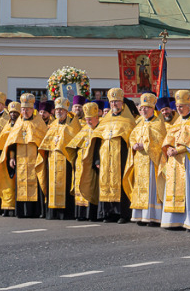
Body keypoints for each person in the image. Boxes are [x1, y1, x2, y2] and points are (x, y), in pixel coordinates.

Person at [160, 90, 190, 231]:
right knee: (173, 189)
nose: (179, 109)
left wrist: (178, 150)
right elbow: (169, 138)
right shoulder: (177, 121)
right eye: (177, 106)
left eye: (182, 106)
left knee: (188, 191)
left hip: (187, 160)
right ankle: (172, 219)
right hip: (173, 161)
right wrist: (168, 148)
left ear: (188, 105)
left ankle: (189, 220)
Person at [0, 94, 48, 219]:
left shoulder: (38, 123)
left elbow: (43, 141)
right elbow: (11, 144)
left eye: (27, 109)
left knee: (35, 183)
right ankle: (21, 211)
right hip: (20, 160)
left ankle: (36, 211)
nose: (25, 111)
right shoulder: (18, 124)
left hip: (34, 159)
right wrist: (12, 157)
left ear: (32, 109)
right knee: (20, 184)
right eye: (23, 109)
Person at [92, 88, 135, 222]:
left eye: (117, 102)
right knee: (105, 183)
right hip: (105, 158)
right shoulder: (105, 121)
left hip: (121, 158)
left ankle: (123, 214)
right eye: (112, 102)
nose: (114, 104)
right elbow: (97, 141)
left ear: (122, 103)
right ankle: (108, 213)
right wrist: (97, 160)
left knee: (120, 184)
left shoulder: (128, 120)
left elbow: (131, 140)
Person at [124, 93, 166, 226]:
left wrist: (145, 145)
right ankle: (140, 216)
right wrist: (134, 144)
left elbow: (160, 141)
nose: (143, 111)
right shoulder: (139, 122)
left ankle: (152, 216)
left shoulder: (158, 123)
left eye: (146, 108)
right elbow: (132, 136)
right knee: (139, 186)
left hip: (151, 161)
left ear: (152, 108)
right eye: (142, 108)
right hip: (139, 160)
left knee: (151, 188)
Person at [69, 101, 102, 221]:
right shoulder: (84, 129)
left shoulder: (100, 129)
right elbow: (74, 144)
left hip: (91, 164)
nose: (88, 121)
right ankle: (80, 214)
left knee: (91, 187)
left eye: (91, 119)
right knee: (79, 186)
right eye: (87, 119)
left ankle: (91, 214)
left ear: (96, 117)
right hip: (80, 163)